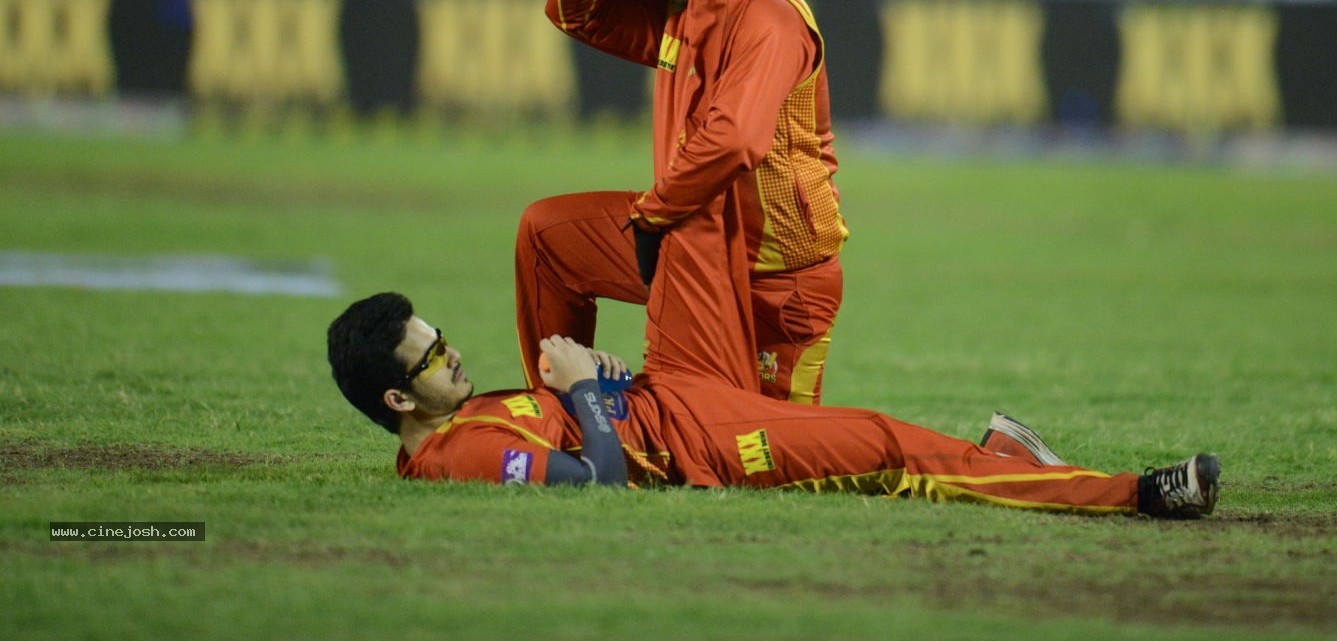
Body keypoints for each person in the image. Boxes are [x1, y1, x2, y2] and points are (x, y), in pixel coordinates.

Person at [325, 291, 1221, 518]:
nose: (457, 355)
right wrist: (590, 389)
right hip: (700, 446)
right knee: (887, 452)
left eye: (443, 338)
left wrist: (597, 377)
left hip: (681, 404)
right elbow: (596, 484)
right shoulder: (457, 455)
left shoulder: (466, 413)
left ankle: (1002, 453)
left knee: (887, 443)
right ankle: (1135, 494)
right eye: (434, 356)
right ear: (399, 396)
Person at [522, 0, 846, 404]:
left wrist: (653, 216)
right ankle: (559, 411)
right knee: (549, 236)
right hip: (691, 242)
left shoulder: (772, 18)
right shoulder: (683, 10)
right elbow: (573, 12)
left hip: (773, 276)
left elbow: (736, 138)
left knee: (769, 458)